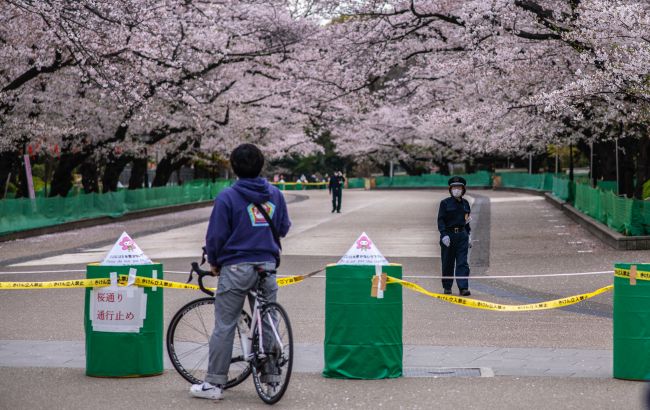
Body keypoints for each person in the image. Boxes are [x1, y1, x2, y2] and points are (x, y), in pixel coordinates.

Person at [190, 143, 291, 401]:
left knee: (225, 324)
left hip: (235, 267)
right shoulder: (276, 195)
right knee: (269, 320)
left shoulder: (227, 197)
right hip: (267, 266)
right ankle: (271, 379)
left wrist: (213, 261)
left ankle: (214, 383)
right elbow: (283, 227)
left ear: (233, 167)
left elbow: (216, 236)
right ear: (261, 165)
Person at [437, 176, 472, 296]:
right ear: (450, 189)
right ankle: (447, 286)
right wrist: (443, 235)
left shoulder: (466, 204)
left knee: (462, 263)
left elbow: (467, 221)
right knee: (448, 262)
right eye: (454, 187)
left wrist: (469, 235)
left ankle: (463, 287)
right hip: (449, 235)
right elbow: (441, 220)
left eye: (459, 187)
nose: (456, 190)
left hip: (462, 235)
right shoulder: (445, 203)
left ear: (463, 189)